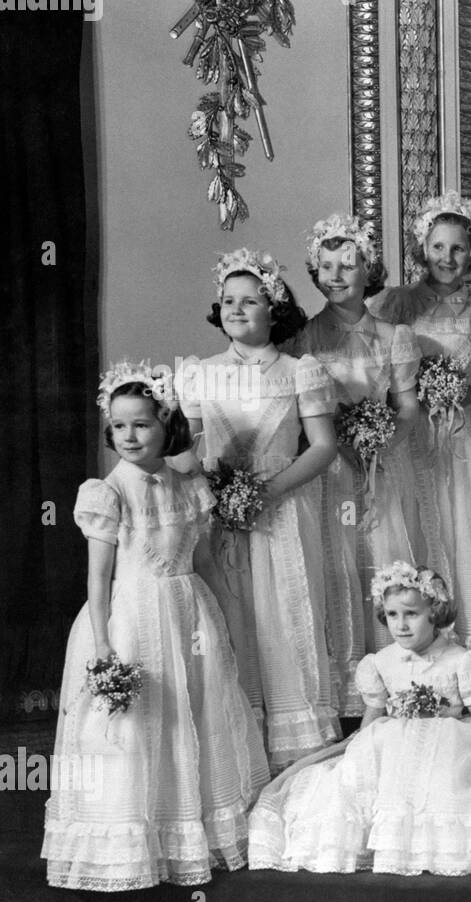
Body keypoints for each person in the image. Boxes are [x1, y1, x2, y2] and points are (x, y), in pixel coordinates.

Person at [43, 364, 268, 890]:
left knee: (195, 710)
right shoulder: (105, 492)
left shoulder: (191, 489)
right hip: (131, 619)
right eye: (119, 427)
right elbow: (100, 579)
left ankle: (192, 833)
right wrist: (102, 643)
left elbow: (207, 563)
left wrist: (226, 621)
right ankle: (131, 845)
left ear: (166, 426)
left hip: (189, 611)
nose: (130, 436)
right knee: (137, 724)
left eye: (142, 424)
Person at [248, 562, 471, 876]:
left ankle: (432, 844)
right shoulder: (380, 662)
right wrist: (355, 745)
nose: (401, 625)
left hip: (447, 738)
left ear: (435, 613)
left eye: (412, 614)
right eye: (393, 615)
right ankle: (374, 839)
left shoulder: (461, 660)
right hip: (391, 738)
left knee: (446, 774)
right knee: (360, 766)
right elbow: (372, 716)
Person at [178, 249, 340, 772]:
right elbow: (190, 450)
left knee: (285, 616)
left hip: (283, 510)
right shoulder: (199, 374)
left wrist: (267, 492)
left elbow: (321, 447)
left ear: (274, 309)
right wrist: (213, 490)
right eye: (228, 301)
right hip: (218, 514)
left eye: (250, 301)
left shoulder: (301, 371)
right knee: (231, 616)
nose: (237, 310)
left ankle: (296, 753)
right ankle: (240, 752)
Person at [372, 194, 471, 687]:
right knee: (417, 526)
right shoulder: (396, 303)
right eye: (438, 246)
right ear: (423, 248)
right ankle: (415, 648)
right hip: (410, 435)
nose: (447, 258)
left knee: (469, 533)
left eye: (459, 248)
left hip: (465, 433)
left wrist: (457, 389)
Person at [292, 214, 426, 714]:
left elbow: (408, 407)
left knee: (384, 564)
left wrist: (378, 441)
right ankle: (346, 697)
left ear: (368, 270)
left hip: (382, 467)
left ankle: (398, 685)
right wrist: (341, 443)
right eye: (325, 266)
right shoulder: (303, 339)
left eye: (347, 265)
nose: (336, 275)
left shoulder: (395, 336)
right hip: (327, 473)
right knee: (334, 567)